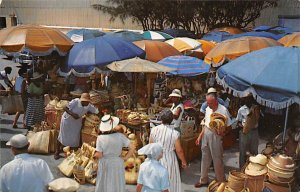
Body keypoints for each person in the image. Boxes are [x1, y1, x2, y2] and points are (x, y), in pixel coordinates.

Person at [195, 92, 232, 188]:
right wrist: (200, 136)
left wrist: (223, 134)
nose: (208, 104)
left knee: (217, 159)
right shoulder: (208, 109)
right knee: (205, 158)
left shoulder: (223, 110)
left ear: (216, 101)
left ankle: (220, 181)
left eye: (210, 103)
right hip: (206, 133)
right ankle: (203, 179)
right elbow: (205, 124)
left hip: (216, 136)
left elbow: (229, 126)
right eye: (207, 102)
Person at [94, 115, 135, 192]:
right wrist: (125, 158)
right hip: (117, 162)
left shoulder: (100, 138)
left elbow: (99, 154)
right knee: (117, 182)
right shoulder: (120, 136)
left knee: (105, 182)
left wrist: (95, 158)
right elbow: (132, 147)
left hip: (105, 162)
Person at [149, 109, 187, 192]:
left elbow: (150, 146)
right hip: (169, 158)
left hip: (156, 157)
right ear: (172, 119)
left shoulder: (154, 130)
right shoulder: (174, 133)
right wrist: (184, 162)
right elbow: (179, 150)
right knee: (169, 180)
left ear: (161, 119)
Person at [55, 93, 99, 160]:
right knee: (62, 136)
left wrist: (89, 113)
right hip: (67, 120)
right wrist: (73, 114)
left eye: (87, 102)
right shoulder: (75, 102)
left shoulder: (89, 106)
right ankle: (57, 152)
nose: (86, 103)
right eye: (84, 101)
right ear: (81, 100)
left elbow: (96, 111)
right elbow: (65, 108)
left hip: (76, 123)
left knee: (74, 137)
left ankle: (71, 152)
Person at [236, 96, 260, 169]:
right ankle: (242, 169)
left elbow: (259, 119)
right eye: (247, 99)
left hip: (254, 131)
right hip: (244, 132)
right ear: (245, 100)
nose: (248, 100)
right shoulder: (241, 109)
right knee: (242, 151)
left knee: (254, 151)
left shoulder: (256, 108)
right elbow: (238, 122)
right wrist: (245, 126)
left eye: (250, 98)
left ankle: (253, 169)